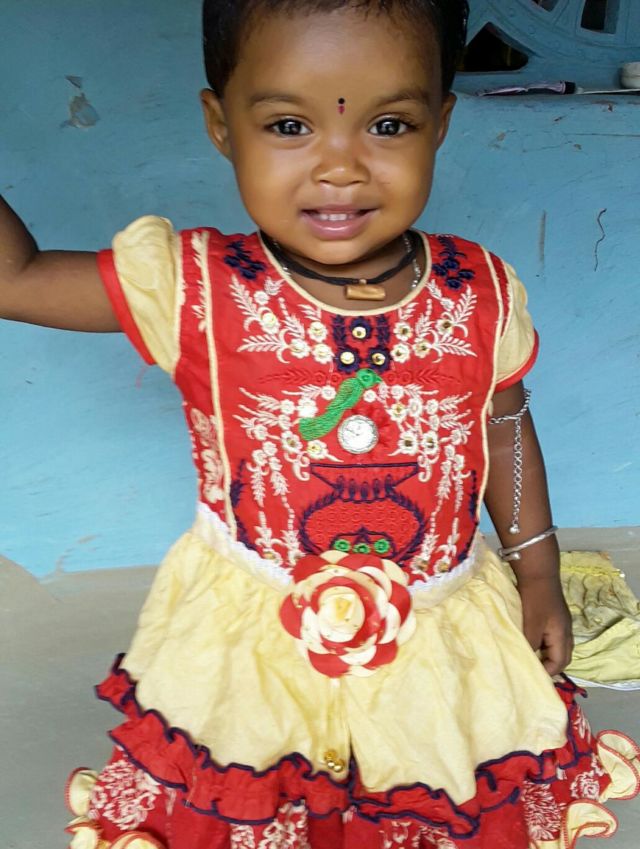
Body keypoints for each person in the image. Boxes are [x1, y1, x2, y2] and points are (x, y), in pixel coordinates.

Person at [1, 2, 638, 847]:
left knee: (426, 797)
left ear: (441, 123)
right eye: (290, 125)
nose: (340, 167)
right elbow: (16, 277)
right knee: (264, 804)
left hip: (443, 628)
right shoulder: (195, 288)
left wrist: (539, 572)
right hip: (255, 642)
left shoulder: (478, 289)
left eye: (389, 124)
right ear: (221, 125)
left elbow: (504, 422)